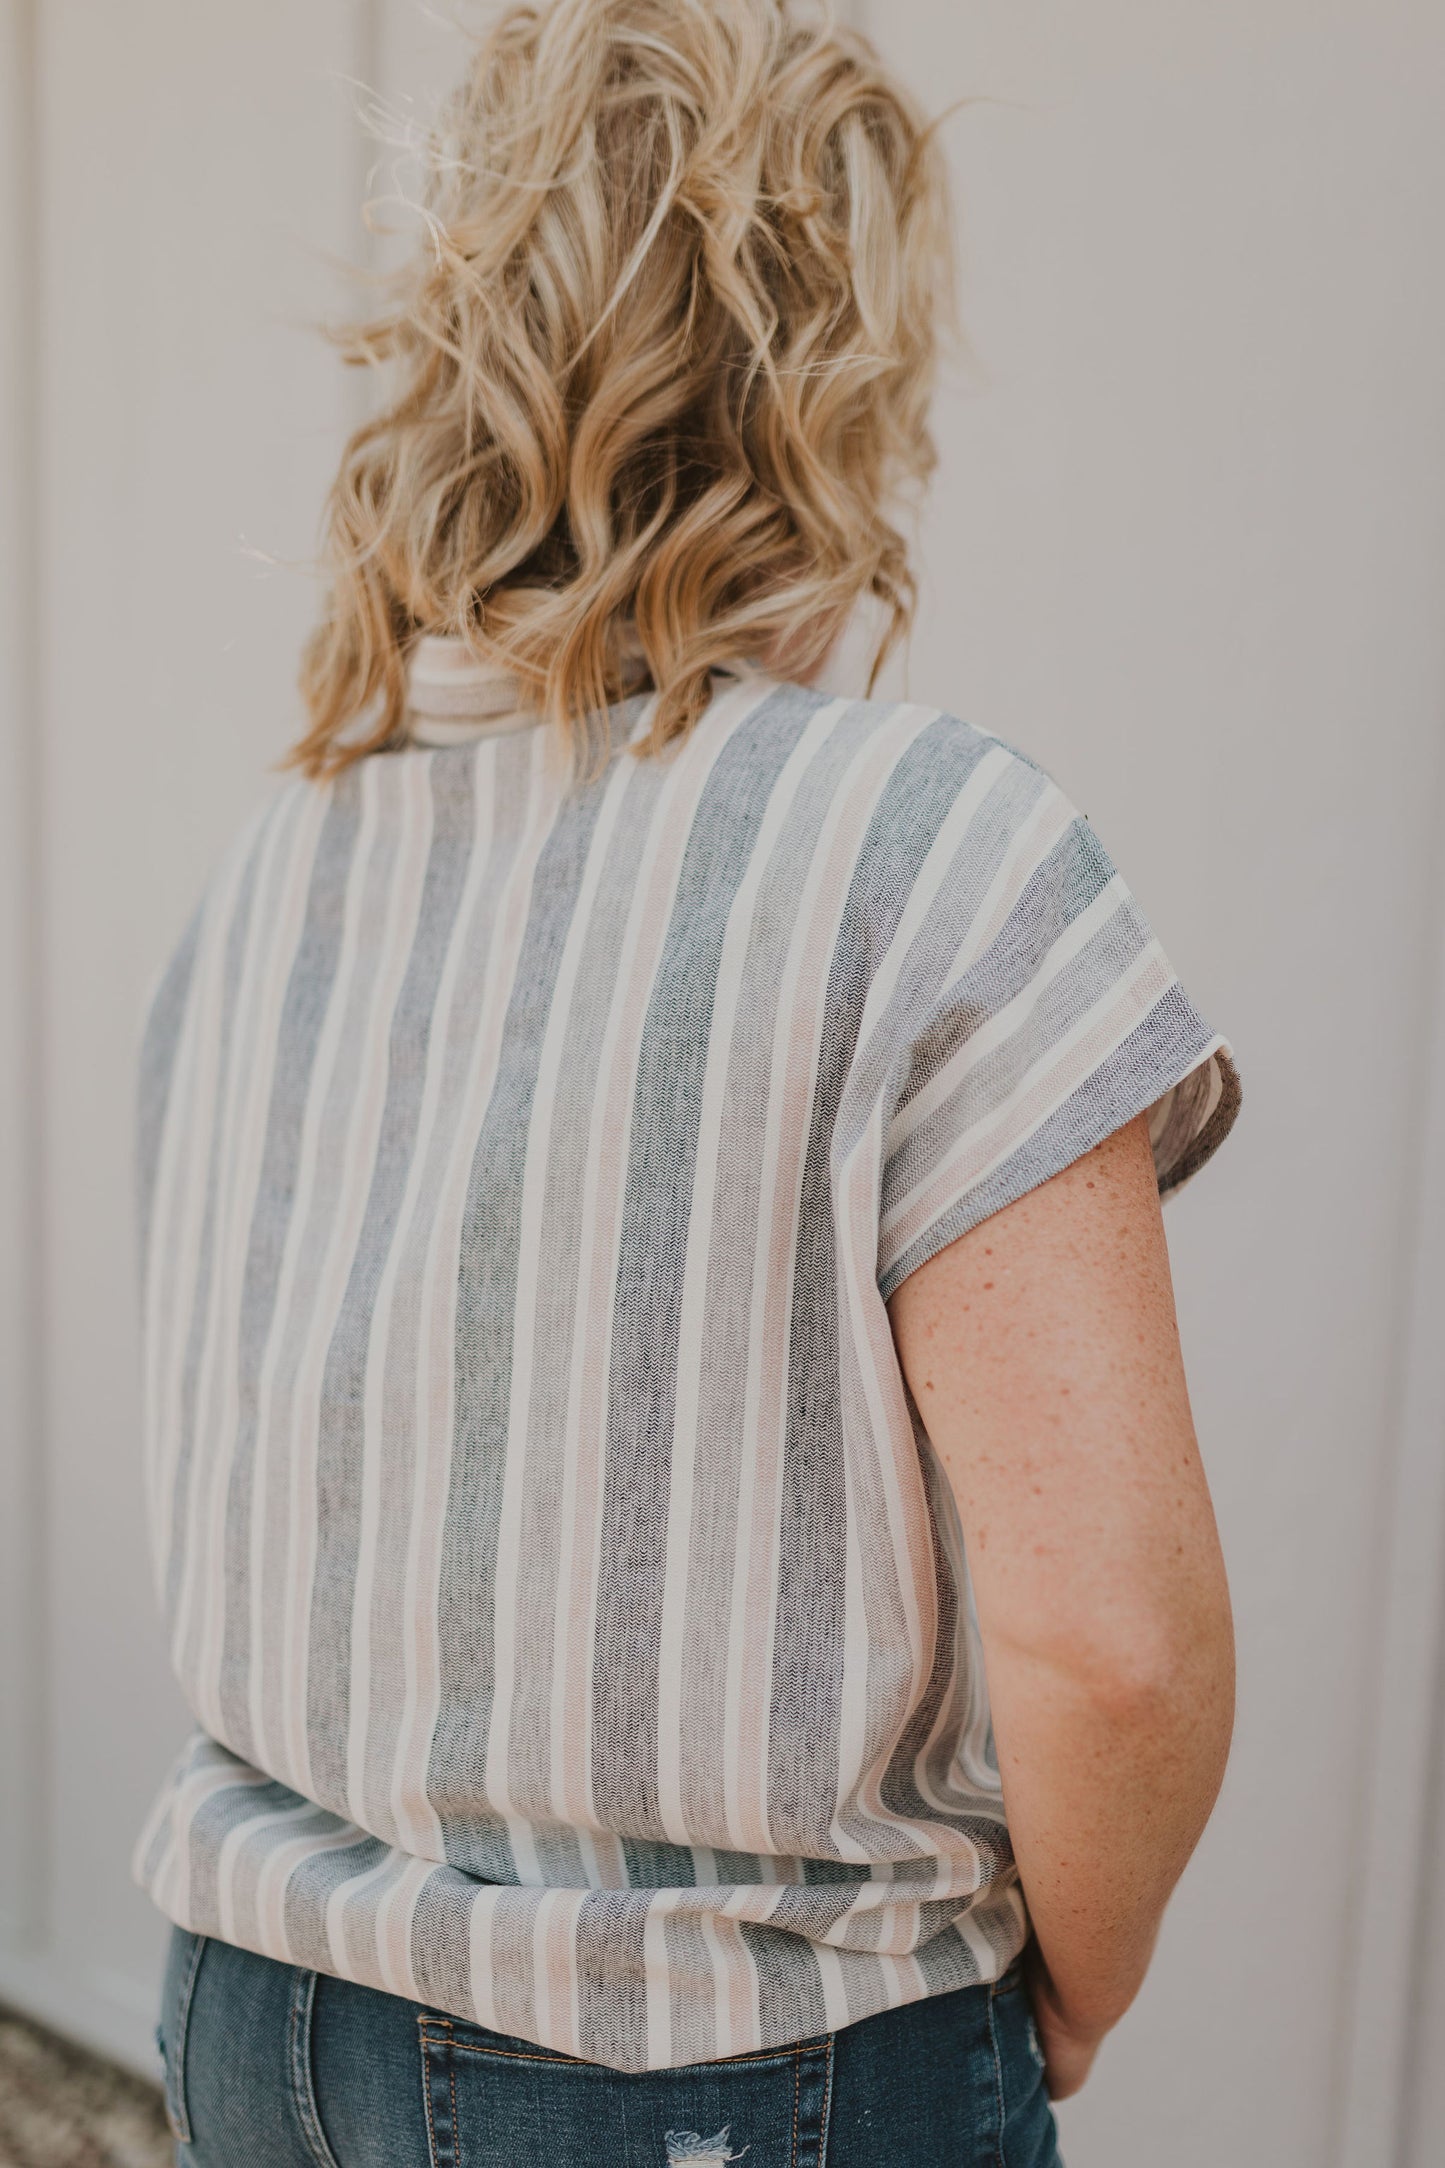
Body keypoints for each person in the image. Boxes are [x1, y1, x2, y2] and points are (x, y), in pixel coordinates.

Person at [132, 1, 1241, 2161]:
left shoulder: (273, 868)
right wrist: (1077, 1993)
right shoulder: (939, 852)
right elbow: (1111, 1646)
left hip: (257, 2030)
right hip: (739, 2066)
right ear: (836, 369)